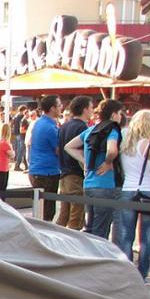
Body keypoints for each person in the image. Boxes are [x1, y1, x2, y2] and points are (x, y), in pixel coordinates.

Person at [113, 109, 150, 280]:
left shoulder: (125, 144)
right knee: (146, 235)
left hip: (128, 189)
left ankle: (127, 271)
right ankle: (142, 273)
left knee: (126, 234)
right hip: (147, 191)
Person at [64, 99, 124, 239]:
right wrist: (108, 162)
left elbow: (69, 146)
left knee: (90, 226)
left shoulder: (91, 130)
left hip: (89, 184)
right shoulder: (112, 129)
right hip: (106, 184)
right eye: (120, 113)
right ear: (114, 114)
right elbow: (112, 150)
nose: (121, 117)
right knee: (100, 229)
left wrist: (85, 161)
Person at [55, 96, 92, 231]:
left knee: (64, 214)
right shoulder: (82, 128)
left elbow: (58, 149)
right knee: (76, 216)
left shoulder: (64, 126)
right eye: (91, 107)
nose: (92, 110)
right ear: (85, 109)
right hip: (76, 174)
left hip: (64, 173)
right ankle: (71, 241)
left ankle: (56, 238)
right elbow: (83, 151)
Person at [28, 95, 62, 222]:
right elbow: (58, 150)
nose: (61, 107)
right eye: (59, 105)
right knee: (47, 212)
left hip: (37, 170)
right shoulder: (50, 127)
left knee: (40, 211)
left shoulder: (38, 123)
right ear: (52, 108)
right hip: (47, 172)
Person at [0, 122, 14, 201]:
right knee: (2, 187)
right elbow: (12, 154)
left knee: (1, 185)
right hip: (4, 166)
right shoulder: (5, 143)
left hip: (0, 165)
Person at [13, 107, 29, 171]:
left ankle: (26, 165)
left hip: (18, 135)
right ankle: (17, 165)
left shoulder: (16, 117)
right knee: (21, 151)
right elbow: (21, 130)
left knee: (23, 151)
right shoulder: (23, 119)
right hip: (21, 136)